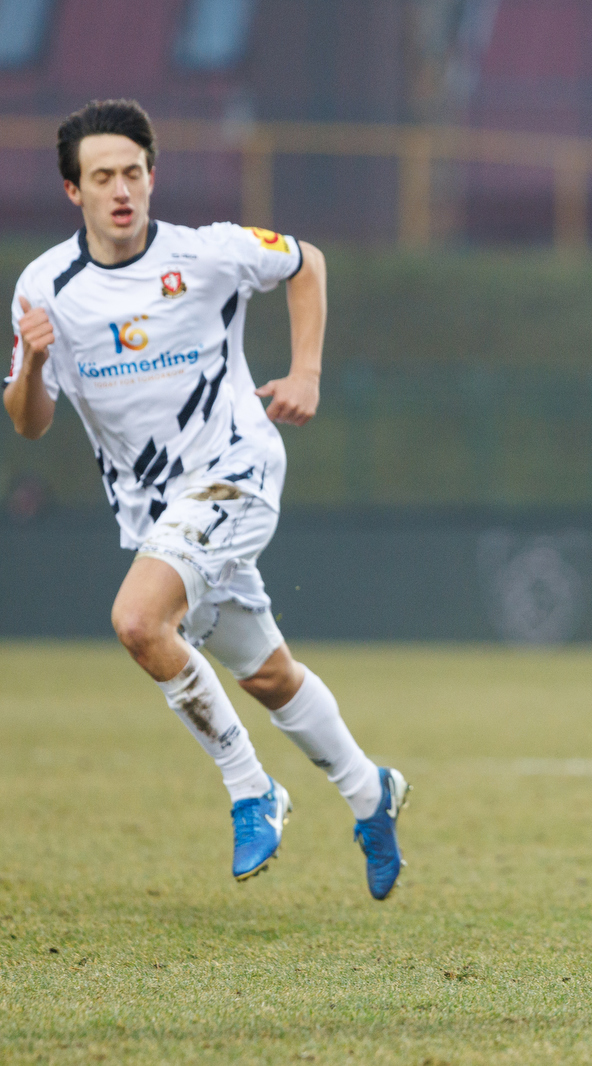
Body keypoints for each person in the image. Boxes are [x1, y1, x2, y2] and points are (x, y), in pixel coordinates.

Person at [4, 99, 410, 899]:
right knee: (268, 675)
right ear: (72, 192)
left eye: (132, 172)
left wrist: (306, 375)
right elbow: (29, 425)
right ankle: (373, 794)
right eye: (101, 177)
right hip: (155, 516)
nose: (120, 189)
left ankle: (252, 789)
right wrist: (31, 368)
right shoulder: (43, 287)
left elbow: (306, 262)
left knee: (136, 620)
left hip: (237, 470)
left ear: (153, 178)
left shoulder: (210, 254)